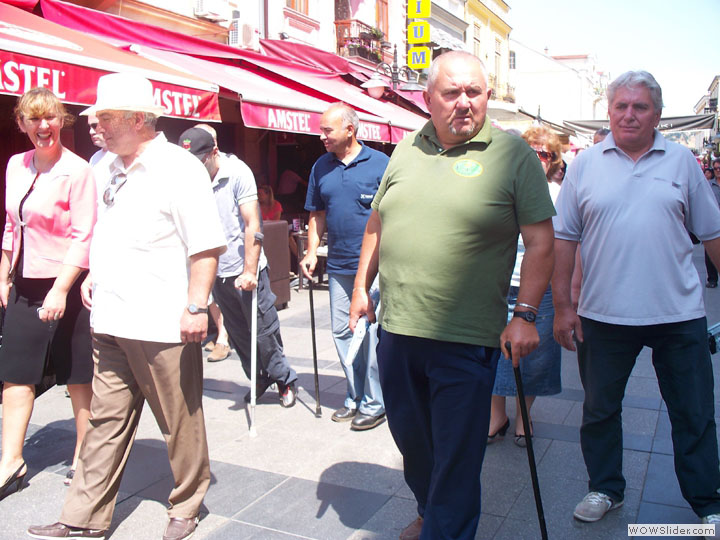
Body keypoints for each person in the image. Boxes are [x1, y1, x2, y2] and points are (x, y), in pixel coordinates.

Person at [349, 51, 555, 539]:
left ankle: (445, 529)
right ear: (428, 99)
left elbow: (542, 242)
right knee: (414, 442)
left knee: (458, 455)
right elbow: (378, 221)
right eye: (451, 92)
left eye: (474, 92)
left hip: (467, 336)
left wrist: (525, 314)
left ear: (487, 96)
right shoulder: (406, 149)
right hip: (398, 329)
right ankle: (430, 511)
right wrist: (360, 287)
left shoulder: (513, 155)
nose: (464, 102)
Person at [27, 72, 227, 540]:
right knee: (104, 421)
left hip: (163, 322)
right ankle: (82, 516)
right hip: (111, 316)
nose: (96, 127)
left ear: (138, 120)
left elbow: (205, 247)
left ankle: (186, 503)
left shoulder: (180, 168)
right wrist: (93, 273)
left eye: (106, 118)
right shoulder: (102, 164)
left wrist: (196, 307)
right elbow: (102, 230)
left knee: (179, 421)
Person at [552, 71, 720, 534]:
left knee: (694, 412)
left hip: (678, 315)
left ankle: (708, 500)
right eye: (621, 106)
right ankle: (605, 488)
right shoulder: (585, 165)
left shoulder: (682, 161)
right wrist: (563, 306)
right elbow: (564, 239)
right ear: (609, 112)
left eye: (640, 107)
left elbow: (712, 232)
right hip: (602, 315)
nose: (629, 115)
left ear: (657, 115)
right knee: (599, 410)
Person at [0, 88, 96, 499]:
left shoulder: (78, 170)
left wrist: (60, 289)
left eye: (50, 117)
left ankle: (84, 455)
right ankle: (11, 461)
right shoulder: (15, 165)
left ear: (61, 121)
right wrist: (3, 275)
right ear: (22, 124)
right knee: (15, 373)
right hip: (24, 283)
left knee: (77, 376)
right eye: (34, 119)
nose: (44, 126)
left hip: (68, 284)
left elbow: (83, 235)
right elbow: (11, 225)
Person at [178, 127, 298, 407]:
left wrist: (250, 270)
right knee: (237, 331)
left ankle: (284, 378)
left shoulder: (238, 172)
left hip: (244, 267)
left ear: (213, 152)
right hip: (215, 269)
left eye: (199, 161)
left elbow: (252, 223)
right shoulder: (189, 177)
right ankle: (258, 377)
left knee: (263, 329)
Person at [301, 103, 389, 431]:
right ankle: (355, 395)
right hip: (338, 265)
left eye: (327, 130)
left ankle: (375, 403)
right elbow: (317, 213)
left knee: (369, 333)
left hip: (376, 267)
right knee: (342, 331)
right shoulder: (320, 166)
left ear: (350, 129)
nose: (321, 136)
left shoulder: (380, 164)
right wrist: (312, 251)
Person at [488, 126, 563, 447]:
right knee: (493, 352)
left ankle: (524, 415)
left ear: (553, 160)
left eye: (544, 153)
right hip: (499, 283)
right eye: (531, 151)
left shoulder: (559, 194)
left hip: (539, 288)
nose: (537, 158)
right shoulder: (502, 187)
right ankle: (496, 416)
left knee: (533, 356)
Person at [192, 123, 232, 363]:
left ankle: (224, 338)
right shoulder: (192, 171)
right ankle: (221, 333)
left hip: (225, 246)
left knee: (221, 295)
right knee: (210, 296)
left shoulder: (232, 170)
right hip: (200, 241)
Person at [707, 160, 720, 288]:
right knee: (710, 251)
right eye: (715, 168)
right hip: (714, 221)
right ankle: (712, 279)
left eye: (719, 168)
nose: (718, 170)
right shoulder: (709, 185)